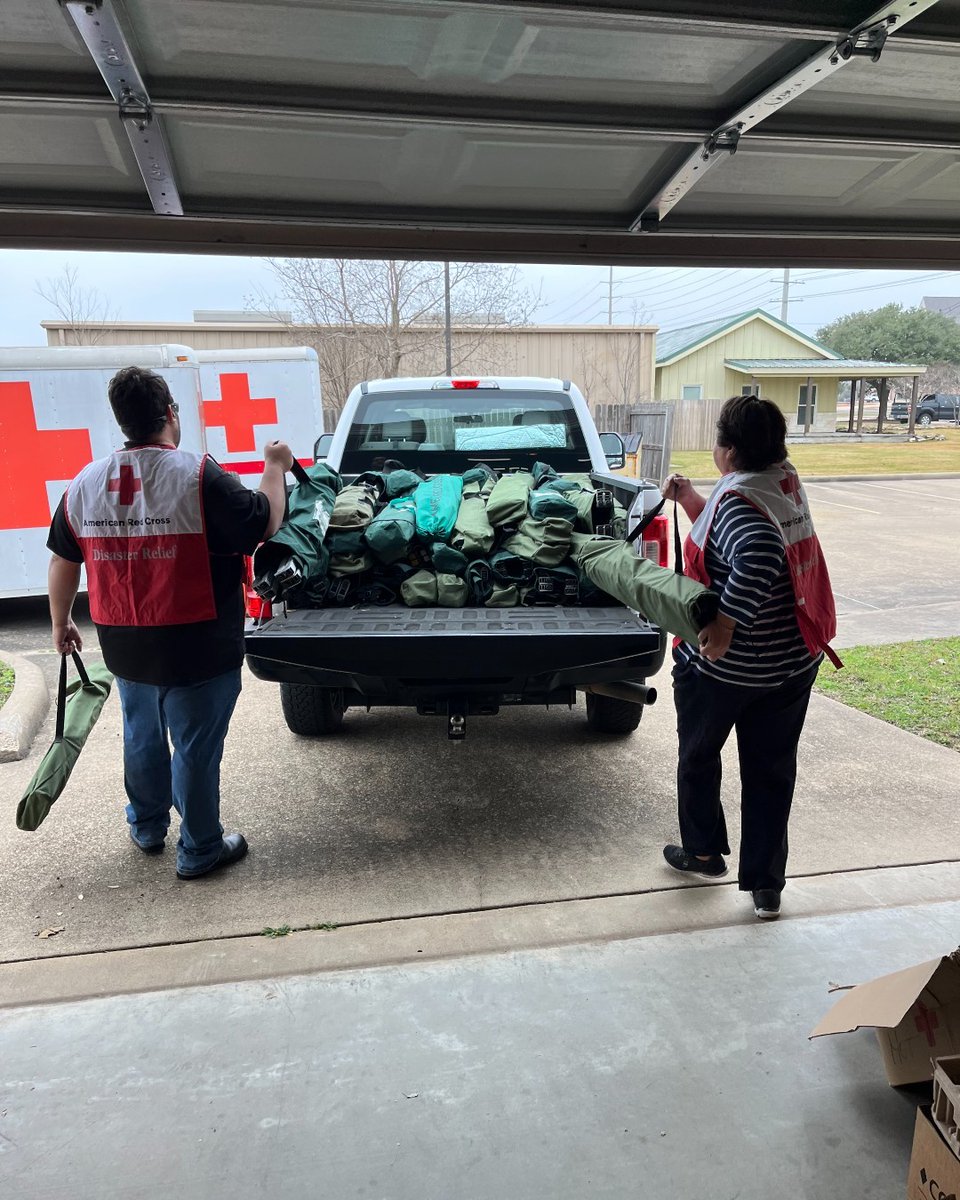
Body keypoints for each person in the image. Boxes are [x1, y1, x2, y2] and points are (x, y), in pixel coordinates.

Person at [46, 366, 293, 880]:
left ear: (122, 421)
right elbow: (263, 520)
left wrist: (61, 621)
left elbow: (64, 559)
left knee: (141, 735)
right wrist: (275, 464)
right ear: (171, 415)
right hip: (197, 643)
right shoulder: (196, 474)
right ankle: (200, 848)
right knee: (196, 748)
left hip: (125, 643)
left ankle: (147, 826)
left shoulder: (85, 484)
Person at [660, 395, 839, 920]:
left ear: (729, 450)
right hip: (790, 666)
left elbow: (755, 554)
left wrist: (723, 626)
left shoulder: (741, 501)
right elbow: (736, 541)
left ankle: (703, 852)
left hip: (728, 670)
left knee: (697, 755)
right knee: (770, 770)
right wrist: (694, 498)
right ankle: (765, 885)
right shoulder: (779, 481)